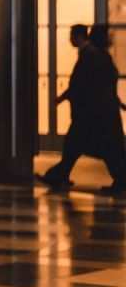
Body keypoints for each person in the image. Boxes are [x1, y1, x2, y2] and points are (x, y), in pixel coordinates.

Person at [38, 24, 126, 194]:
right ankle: (58, 175)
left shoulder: (91, 55)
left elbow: (80, 83)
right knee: (83, 146)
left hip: (94, 114)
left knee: (92, 147)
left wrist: (63, 97)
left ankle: (58, 176)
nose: (110, 38)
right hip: (101, 113)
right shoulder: (100, 55)